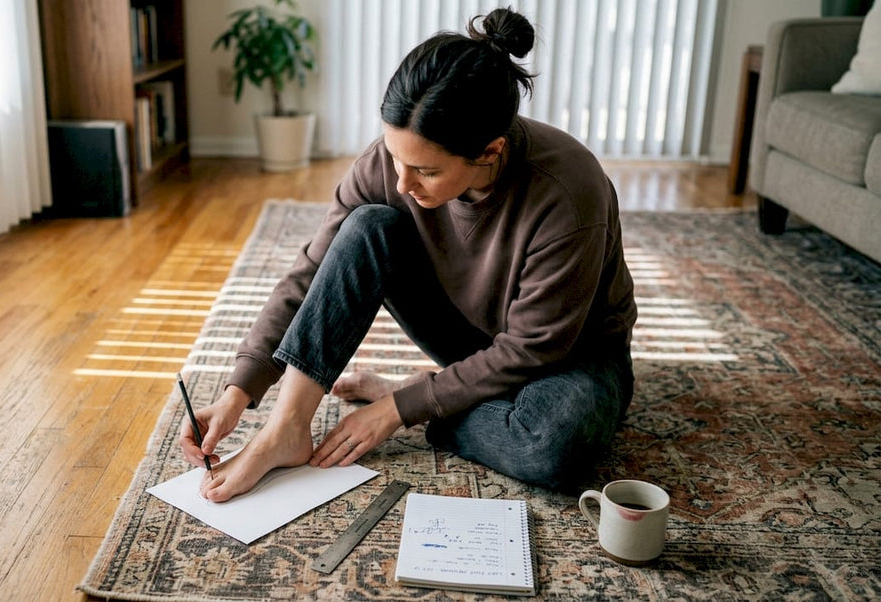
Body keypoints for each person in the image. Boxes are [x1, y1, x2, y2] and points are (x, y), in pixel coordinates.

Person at [179, 7, 636, 502]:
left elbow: (532, 349)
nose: (401, 182)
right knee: (366, 225)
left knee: (547, 448)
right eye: (396, 158)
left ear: (490, 150)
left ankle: (428, 396)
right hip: (468, 337)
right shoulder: (389, 166)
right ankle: (287, 427)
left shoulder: (569, 191)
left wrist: (398, 408)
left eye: (425, 171)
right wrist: (239, 389)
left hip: (569, 355)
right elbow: (312, 273)